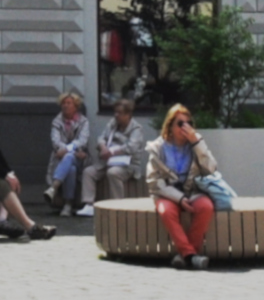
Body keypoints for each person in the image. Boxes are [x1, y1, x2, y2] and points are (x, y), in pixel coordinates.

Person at [0, 86, 57, 239]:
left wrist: (8, 173)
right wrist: (5, 175)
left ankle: (1, 221)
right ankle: (30, 227)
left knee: (7, 180)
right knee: (2, 183)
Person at [146, 104, 219, 269]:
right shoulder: (158, 147)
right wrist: (179, 198)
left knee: (206, 206)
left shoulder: (196, 143)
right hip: (167, 193)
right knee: (166, 211)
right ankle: (191, 256)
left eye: (189, 123)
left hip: (192, 191)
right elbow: (153, 181)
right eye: (180, 123)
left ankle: (184, 255)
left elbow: (211, 168)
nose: (185, 127)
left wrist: (197, 144)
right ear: (170, 126)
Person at [88, 95, 147, 201]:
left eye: (119, 113)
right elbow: (101, 137)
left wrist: (111, 152)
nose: (116, 115)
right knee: (88, 172)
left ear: (128, 114)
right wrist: (103, 148)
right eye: (115, 112)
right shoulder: (112, 123)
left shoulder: (137, 129)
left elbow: (131, 147)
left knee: (113, 173)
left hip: (128, 165)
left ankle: (117, 205)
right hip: (108, 161)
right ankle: (88, 204)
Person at [48, 90, 93, 216]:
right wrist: (69, 151)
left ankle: (54, 187)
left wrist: (67, 150)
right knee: (71, 169)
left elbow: (83, 141)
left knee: (69, 157)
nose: (65, 105)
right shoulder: (56, 121)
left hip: (81, 159)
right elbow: (55, 141)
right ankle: (68, 204)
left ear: (76, 106)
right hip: (61, 159)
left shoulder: (84, 121)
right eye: (63, 103)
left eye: (69, 103)